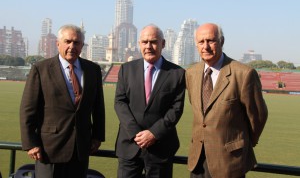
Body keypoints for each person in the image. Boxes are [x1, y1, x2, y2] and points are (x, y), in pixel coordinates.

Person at [20, 24, 105, 178]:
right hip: (48, 149)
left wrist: (98, 136)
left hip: (80, 149)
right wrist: (31, 143)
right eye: (68, 41)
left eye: (77, 43)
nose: (72, 46)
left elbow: (98, 107)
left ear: (82, 46)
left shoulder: (93, 70)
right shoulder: (41, 69)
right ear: (58, 43)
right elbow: (28, 109)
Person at [186, 23, 268, 178]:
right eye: (201, 42)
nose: (206, 46)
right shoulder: (191, 73)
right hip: (198, 160)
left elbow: (258, 115)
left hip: (229, 162)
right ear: (196, 45)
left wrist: (244, 143)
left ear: (221, 41)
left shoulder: (243, 74)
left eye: (211, 40)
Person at [114, 24, 186, 178]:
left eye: (153, 41)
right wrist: (136, 134)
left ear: (163, 44)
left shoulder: (177, 73)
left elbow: (176, 109)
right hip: (130, 145)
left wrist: (154, 133)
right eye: (144, 42)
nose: (149, 46)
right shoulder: (126, 69)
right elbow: (120, 103)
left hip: (161, 148)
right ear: (139, 44)